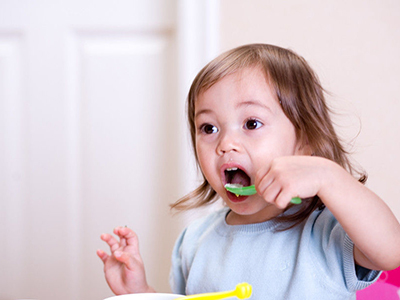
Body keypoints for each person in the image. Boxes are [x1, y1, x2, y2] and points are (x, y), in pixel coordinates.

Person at [97, 44, 400, 299]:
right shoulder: (194, 241)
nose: (226, 144)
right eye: (208, 128)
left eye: (251, 124)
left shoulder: (328, 233)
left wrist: (328, 176)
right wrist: (139, 292)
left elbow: (391, 250)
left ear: (305, 142)